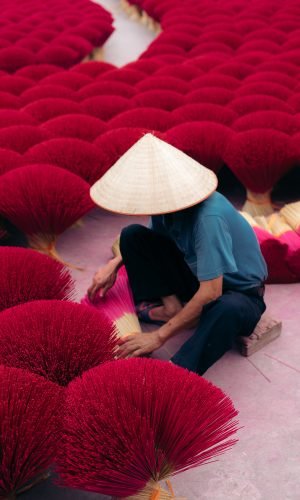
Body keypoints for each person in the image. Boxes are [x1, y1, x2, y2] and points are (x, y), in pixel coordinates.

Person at [88, 134, 267, 375]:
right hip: (197, 276)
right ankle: (174, 308)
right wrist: (114, 264)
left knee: (228, 308)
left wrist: (157, 337)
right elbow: (155, 237)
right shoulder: (167, 206)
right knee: (132, 236)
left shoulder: (208, 219)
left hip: (237, 292)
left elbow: (212, 291)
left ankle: (176, 371)